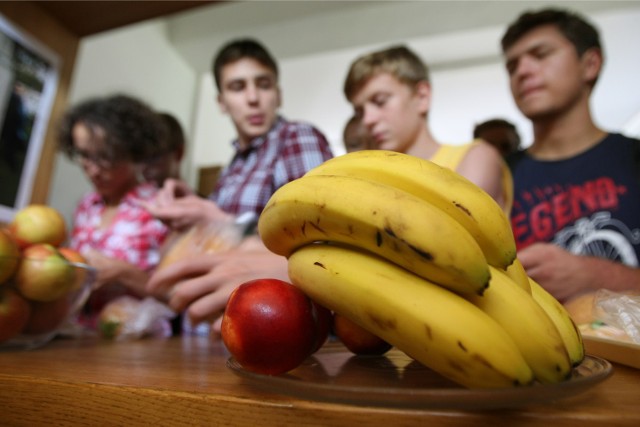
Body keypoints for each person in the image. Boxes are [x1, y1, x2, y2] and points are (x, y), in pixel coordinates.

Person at [145, 38, 333, 334]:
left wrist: (216, 219)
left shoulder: (297, 138)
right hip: (233, 322)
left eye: (263, 84)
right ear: (221, 102)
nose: (253, 97)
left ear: (278, 94)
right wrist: (190, 208)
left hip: (279, 321)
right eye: (237, 87)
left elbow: (322, 242)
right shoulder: (231, 169)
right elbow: (221, 242)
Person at [502, 8, 640, 303]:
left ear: (590, 64)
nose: (522, 71)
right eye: (512, 66)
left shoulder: (635, 158)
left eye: (540, 55)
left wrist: (598, 277)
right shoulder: (498, 177)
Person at [343, 45, 512, 212]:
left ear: (422, 97)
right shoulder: (368, 177)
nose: (367, 120)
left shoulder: (474, 157)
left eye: (380, 101)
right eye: (359, 112)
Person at [58, 94, 171, 328]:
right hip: (79, 339)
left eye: (106, 157)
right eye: (84, 155)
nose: (93, 170)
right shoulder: (86, 206)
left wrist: (123, 273)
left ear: (133, 151)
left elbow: (176, 296)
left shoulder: (162, 208)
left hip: (138, 345)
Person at [142, 112, 186, 187]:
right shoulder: (132, 197)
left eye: (154, 157)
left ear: (179, 153)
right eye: (140, 158)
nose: (143, 167)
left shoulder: (200, 199)